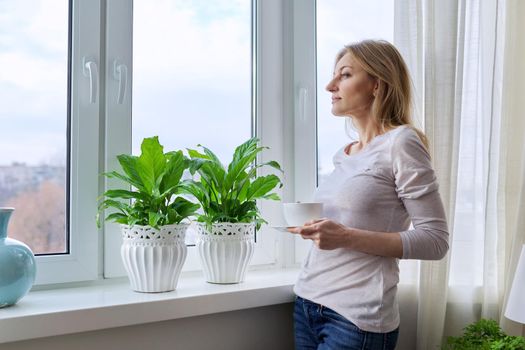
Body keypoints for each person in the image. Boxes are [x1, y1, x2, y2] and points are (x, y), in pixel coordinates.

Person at [288, 39, 449, 350]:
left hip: (356, 320)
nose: (330, 85)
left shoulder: (402, 143)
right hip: (307, 303)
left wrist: (346, 237)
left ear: (377, 83)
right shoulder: (344, 155)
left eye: (345, 75)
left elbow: (435, 240)